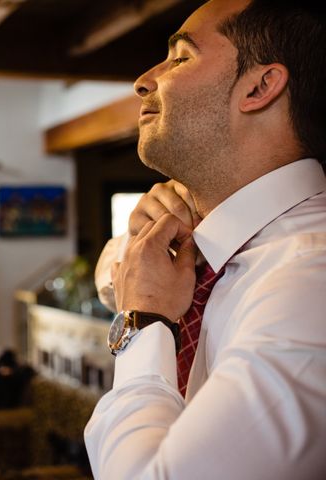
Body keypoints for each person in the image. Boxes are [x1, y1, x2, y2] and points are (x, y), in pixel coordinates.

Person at [84, 1, 326, 479]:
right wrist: (133, 248)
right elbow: (117, 273)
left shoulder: (308, 283)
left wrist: (145, 322)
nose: (143, 81)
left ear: (259, 86)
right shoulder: (205, 241)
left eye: (180, 58)